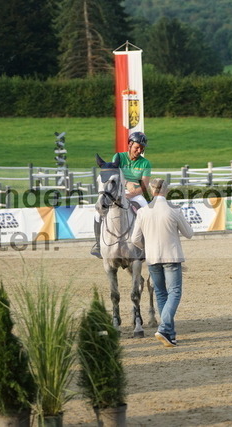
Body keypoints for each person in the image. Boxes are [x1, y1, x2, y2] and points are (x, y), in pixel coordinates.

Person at [131, 178, 194, 347]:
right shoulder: (174, 210)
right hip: (172, 257)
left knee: (161, 294)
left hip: (152, 258)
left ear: (152, 191)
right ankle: (164, 327)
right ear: (166, 191)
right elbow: (189, 233)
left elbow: (134, 239)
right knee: (174, 293)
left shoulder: (143, 211)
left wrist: (148, 247)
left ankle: (170, 335)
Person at [91, 131, 152, 258]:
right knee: (97, 213)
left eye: (142, 148)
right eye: (137, 147)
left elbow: (144, 185)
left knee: (146, 209)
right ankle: (98, 244)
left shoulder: (145, 163)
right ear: (129, 144)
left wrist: (132, 193)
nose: (139, 150)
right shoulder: (118, 157)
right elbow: (114, 177)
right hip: (118, 191)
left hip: (136, 194)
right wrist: (127, 183)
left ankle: (148, 244)